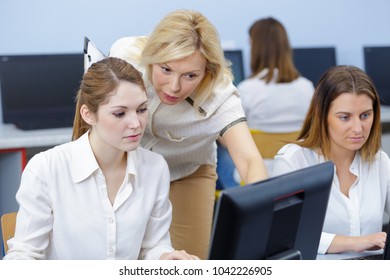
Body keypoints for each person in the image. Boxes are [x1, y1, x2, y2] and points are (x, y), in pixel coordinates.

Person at [109, 9, 269, 259]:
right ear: (152, 58)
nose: (174, 87)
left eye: (190, 76)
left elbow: (249, 162)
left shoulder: (221, 96)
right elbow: (93, 114)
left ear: (208, 71)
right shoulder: (125, 57)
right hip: (126, 166)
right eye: (166, 69)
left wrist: (263, 215)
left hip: (187, 170)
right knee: (119, 252)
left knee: (191, 260)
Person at [3, 57, 198, 260]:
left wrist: (163, 257)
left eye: (141, 110)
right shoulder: (46, 168)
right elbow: (23, 255)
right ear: (88, 115)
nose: (136, 123)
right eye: (120, 113)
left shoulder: (155, 167)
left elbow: (153, 245)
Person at [272, 65, 390, 255]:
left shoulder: (379, 161)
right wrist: (355, 243)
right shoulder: (294, 161)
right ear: (322, 115)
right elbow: (284, 235)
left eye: (365, 115)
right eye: (345, 117)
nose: (358, 128)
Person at [236, 17, 314, 173]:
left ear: (255, 48)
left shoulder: (246, 89)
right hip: (299, 172)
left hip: (258, 175)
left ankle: (224, 195)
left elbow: (234, 137)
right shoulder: (307, 88)